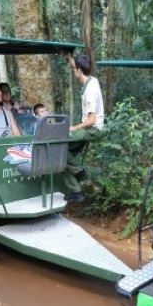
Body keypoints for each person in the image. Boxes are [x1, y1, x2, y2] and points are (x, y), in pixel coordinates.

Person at [62, 53, 104, 203]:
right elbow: (76, 65)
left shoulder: (90, 91)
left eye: (74, 70)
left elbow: (91, 120)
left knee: (59, 146)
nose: (74, 72)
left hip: (92, 130)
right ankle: (76, 192)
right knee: (61, 156)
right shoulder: (92, 80)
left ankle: (80, 173)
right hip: (89, 129)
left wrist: (75, 128)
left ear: (79, 71)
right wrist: (69, 57)